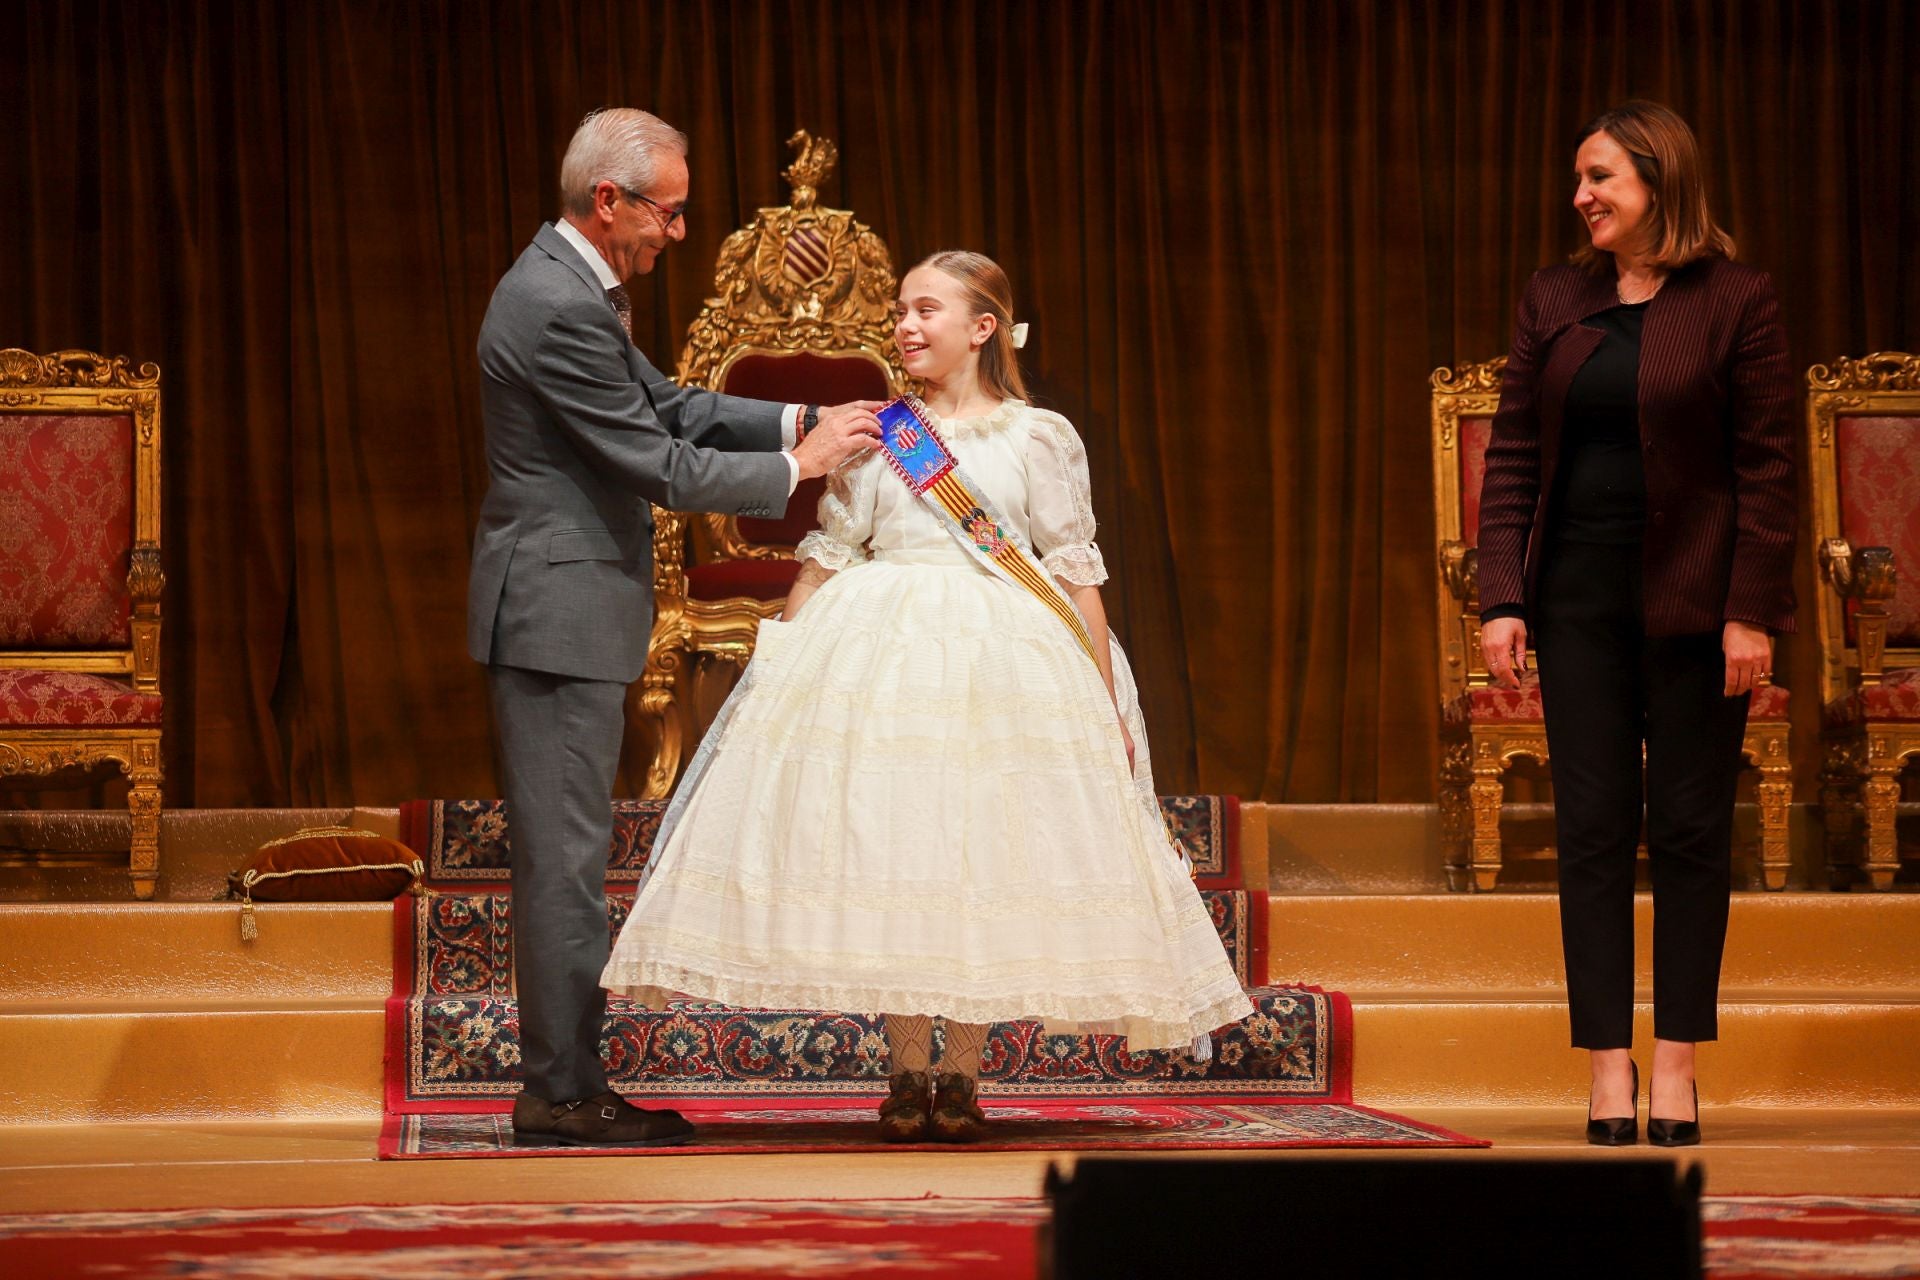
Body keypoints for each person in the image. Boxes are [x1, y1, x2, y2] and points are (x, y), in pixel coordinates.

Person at [602, 250, 1251, 1142]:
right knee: (901, 848)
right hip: (884, 654)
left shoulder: (1040, 437)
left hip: (1007, 659)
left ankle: (964, 1075)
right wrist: (780, 661)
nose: (906, 326)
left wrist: (1103, 696)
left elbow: (1073, 572)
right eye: (902, 311)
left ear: (983, 328)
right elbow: (828, 555)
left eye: (927, 311)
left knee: (979, 855)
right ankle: (907, 1071)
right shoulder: (880, 435)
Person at [467, 107, 879, 1148]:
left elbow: (674, 405)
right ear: (609, 202)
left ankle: (570, 1080)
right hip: (558, 614)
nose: (679, 231)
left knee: (574, 851)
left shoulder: (573, 288)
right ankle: (559, 1093)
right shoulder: (555, 304)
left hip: (570, 609)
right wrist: (801, 468)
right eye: (670, 211)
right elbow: (657, 462)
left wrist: (797, 420)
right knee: (564, 861)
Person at [1477, 101, 1796, 1147]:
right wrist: (1503, 596)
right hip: (1576, 603)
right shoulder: (1555, 296)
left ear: (1660, 180)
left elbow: (1766, 469)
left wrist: (1751, 610)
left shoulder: (1737, 299)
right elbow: (1514, 452)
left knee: (1697, 831)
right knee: (1595, 831)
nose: (1582, 197)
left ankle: (1677, 1065)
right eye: (1580, 179)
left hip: (1701, 610)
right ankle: (1608, 1066)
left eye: (1601, 177)